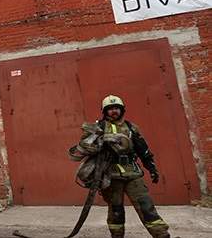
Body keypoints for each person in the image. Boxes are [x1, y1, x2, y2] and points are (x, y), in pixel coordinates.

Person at [71, 95, 169, 238]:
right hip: (110, 176)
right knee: (116, 211)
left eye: (116, 108)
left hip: (133, 174)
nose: (114, 111)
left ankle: (162, 235)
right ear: (105, 111)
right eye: (110, 109)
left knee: (146, 207)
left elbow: (143, 150)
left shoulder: (131, 128)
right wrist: (98, 140)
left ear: (122, 110)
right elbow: (83, 148)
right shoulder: (98, 128)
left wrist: (152, 168)